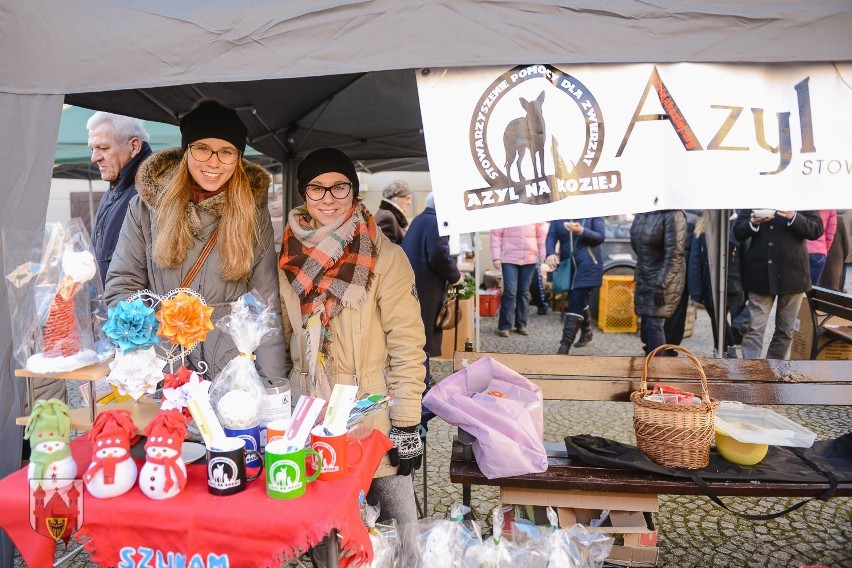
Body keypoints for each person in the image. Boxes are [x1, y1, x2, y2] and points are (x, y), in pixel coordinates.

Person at [278, 148, 425, 525]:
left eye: (339, 187)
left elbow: (407, 343)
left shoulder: (385, 256)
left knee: (398, 532)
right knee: (329, 535)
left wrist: (407, 422)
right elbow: (283, 338)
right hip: (311, 411)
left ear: (354, 192)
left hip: (372, 415)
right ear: (304, 194)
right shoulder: (287, 258)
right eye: (317, 188)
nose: (327, 198)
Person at [104, 99, 285, 379]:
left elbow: (265, 305)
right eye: (202, 149)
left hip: (232, 369)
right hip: (164, 365)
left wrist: (272, 385)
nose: (214, 162)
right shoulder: (146, 207)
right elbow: (123, 286)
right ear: (186, 150)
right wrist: (149, 337)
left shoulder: (253, 212)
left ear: (238, 158)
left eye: (226, 152)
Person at [733, 209, 824, 359]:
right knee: (754, 328)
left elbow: (816, 229)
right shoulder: (752, 196)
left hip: (793, 276)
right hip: (760, 275)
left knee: (785, 330)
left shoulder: (799, 196)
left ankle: (773, 372)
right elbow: (737, 231)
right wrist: (753, 223)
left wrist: (793, 216)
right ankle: (750, 372)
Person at [87, 112, 153, 284]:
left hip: (136, 310)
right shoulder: (115, 190)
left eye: (103, 148)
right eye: (92, 149)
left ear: (134, 147)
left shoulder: (151, 193)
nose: (94, 158)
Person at [401, 192, 462, 358]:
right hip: (427, 286)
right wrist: (456, 277)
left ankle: (421, 375)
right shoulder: (437, 221)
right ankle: (423, 377)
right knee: (425, 334)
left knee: (417, 333)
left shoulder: (420, 218)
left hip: (414, 282)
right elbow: (438, 254)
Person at [630, 210, 687, 355]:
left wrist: (662, 282)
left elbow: (674, 253)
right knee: (647, 326)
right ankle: (650, 365)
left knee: (654, 324)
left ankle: (657, 370)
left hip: (664, 276)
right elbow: (639, 247)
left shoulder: (673, 214)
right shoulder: (643, 212)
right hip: (645, 274)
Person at [545, 217, 605, 354]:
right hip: (569, 266)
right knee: (578, 299)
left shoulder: (594, 212)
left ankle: (564, 346)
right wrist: (550, 253)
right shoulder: (558, 214)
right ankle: (587, 331)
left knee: (576, 300)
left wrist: (581, 230)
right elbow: (551, 237)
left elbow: (600, 237)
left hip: (590, 265)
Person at [687, 213, 745, 356]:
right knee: (717, 318)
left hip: (730, 285)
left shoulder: (733, 227)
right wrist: (695, 291)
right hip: (708, 286)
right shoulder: (701, 229)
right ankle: (726, 349)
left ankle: (723, 350)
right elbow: (695, 262)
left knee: (718, 318)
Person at [490, 223, 547, 337]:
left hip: (530, 258)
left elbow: (541, 236)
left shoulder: (535, 210)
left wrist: (543, 254)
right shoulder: (506, 209)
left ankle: (521, 324)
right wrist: (496, 257)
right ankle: (505, 326)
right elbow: (496, 235)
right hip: (509, 258)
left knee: (524, 292)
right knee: (510, 292)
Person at [375, 179, 413, 244]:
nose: (409, 203)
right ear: (396, 198)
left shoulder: (387, 214)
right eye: (407, 198)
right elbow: (386, 251)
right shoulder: (387, 217)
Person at [818, 212, 849, 291]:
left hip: (818, 259)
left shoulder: (812, 218)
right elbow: (846, 246)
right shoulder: (839, 220)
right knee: (834, 292)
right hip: (835, 263)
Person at [806, 210, 837, 285]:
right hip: (818, 253)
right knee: (813, 287)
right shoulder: (830, 208)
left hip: (799, 250)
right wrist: (824, 250)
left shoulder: (800, 204)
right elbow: (830, 235)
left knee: (796, 288)